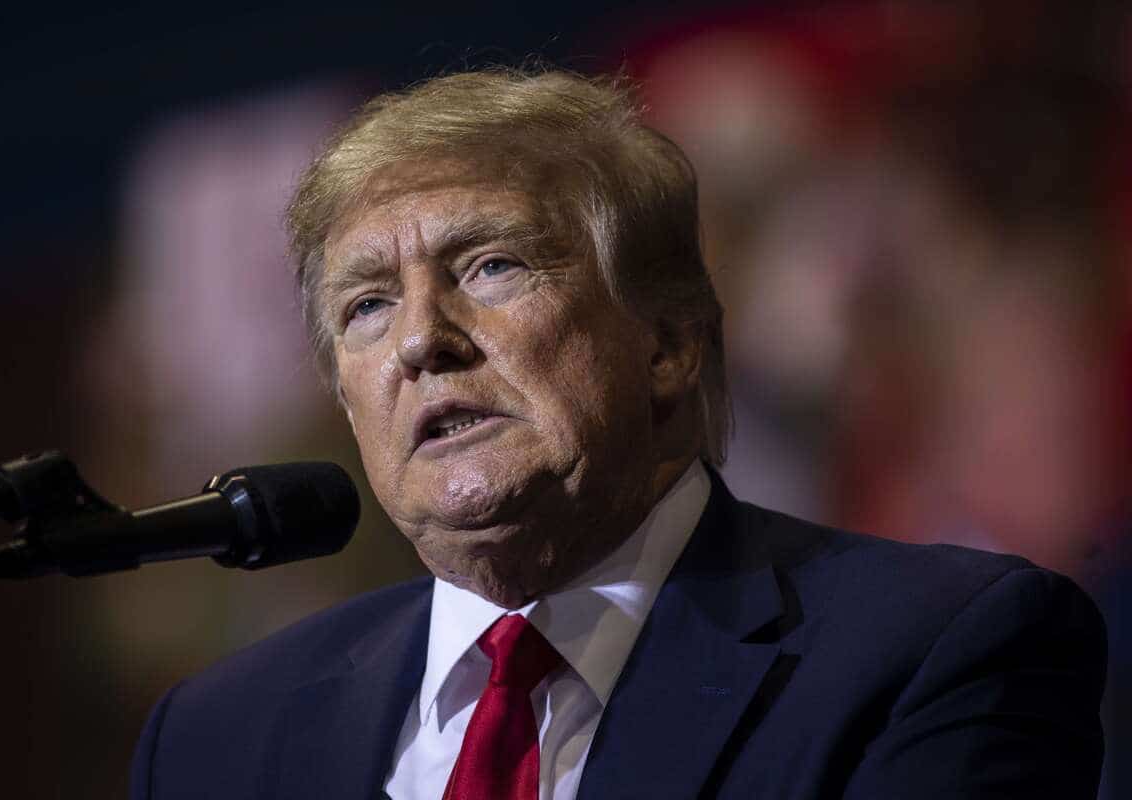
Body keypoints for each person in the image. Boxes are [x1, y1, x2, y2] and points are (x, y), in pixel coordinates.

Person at [129, 69, 1106, 799]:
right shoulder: (217, 742)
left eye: (492, 266)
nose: (422, 339)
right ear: (347, 401)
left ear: (669, 342)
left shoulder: (929, 653)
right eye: (368, 305)